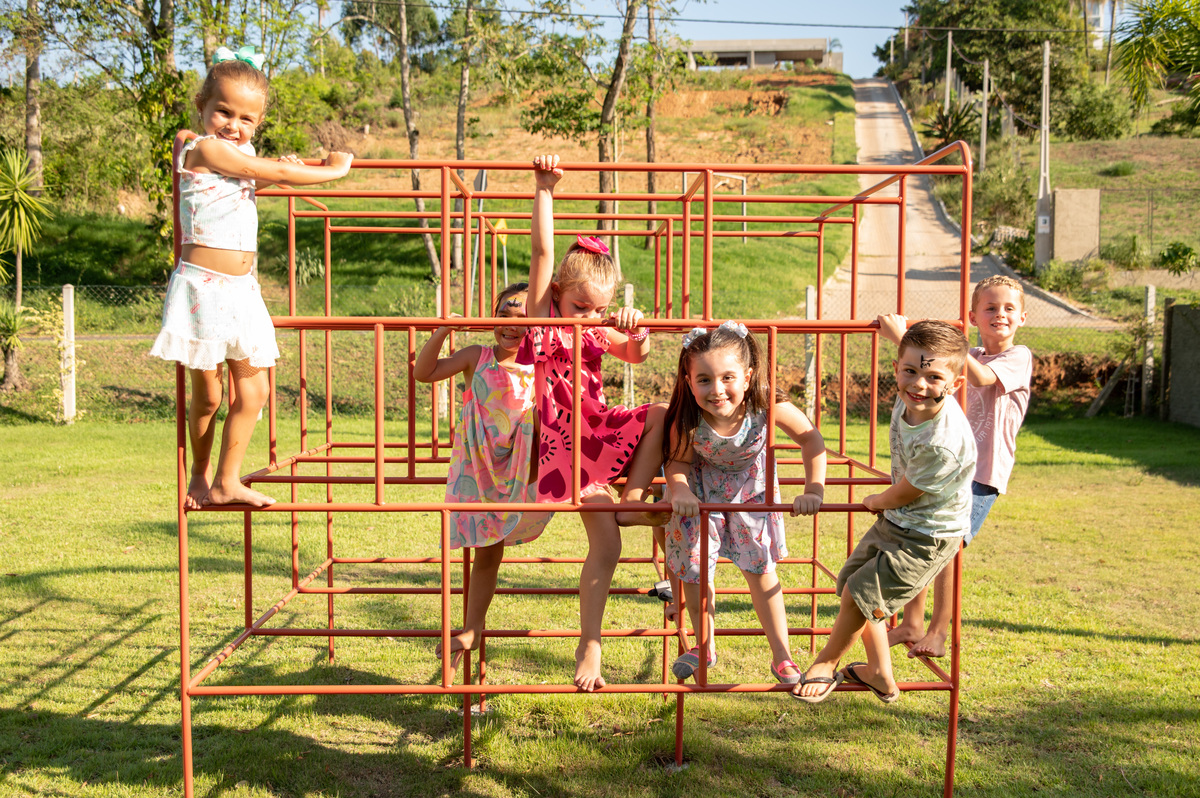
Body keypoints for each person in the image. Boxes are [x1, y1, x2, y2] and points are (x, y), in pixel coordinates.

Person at [150, 48, 353, 509]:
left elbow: (253, 179)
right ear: (202, 105)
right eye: (223, 111)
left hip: (242, 292)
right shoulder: (203, 148)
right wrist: (332, 169)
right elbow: (271, 171)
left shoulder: (239, 155)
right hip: (203, 288)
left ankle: (227, 481)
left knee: (255, 390)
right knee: (208, 397)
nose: (233, 125)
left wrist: (276, 173)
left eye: (246, 118)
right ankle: (199, 475)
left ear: (258, 122)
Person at [522, 154, 665, 692]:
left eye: (598, 311)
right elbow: (542, 252)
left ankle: (633, 498)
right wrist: (545, 189)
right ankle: (591, 644)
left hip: (599, 435)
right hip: (565, 446)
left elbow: (636, 353)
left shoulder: (599, 329)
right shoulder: (544, 322)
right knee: (606, 546)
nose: (588, 318)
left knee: (661, 415)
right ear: (557, 295)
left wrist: (636, 328)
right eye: (580, 307)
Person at [793, 320, 976, 704]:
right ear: (896, 369)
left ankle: (826, 663)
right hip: (900, 520)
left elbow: (907, 491)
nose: (919, 384)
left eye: (933, 377)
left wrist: (877, 500)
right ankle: (879, 673)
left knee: (863, 593)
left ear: (955, 384)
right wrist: (899, 334)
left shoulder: (942, 440)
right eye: (910, 371)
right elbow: (921, 354)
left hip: (928, 535)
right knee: (851, 583)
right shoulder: (911, 398)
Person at [660, 322, 827, 684]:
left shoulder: (766, 405)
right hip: (701, 494)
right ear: (689, 381)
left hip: (752, 492)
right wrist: (680, 490)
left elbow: (812, 441)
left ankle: (782, 655)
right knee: (694, 567)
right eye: (704, 380)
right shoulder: (687, 417)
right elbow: (677, 463)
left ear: (748, 377)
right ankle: (704, 644)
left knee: (761, 570)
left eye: (727, 378)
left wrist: (814, 490)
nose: (717, 389)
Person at [876, 275, 1032, 658]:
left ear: (1023, 317)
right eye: (990, 308)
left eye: (1009, 308)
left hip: (982, 473)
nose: (1000, 314)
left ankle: (938, 631)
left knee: (947, 546)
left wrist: (904, 337)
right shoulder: (970, 353)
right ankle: (912, 623)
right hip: (946, 465)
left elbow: (981, 377)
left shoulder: (1018, 356)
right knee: (921, 533)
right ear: (973, 317)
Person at [414, 283, 552, 678]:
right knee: (487, 554)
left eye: (522, 319)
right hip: (478, 469)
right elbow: (424, 373)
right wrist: (443, 330)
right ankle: (471, 630)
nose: (510, 325)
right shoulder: (478, 356)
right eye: (503, 315)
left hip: (520, 469)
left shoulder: (540, 365)